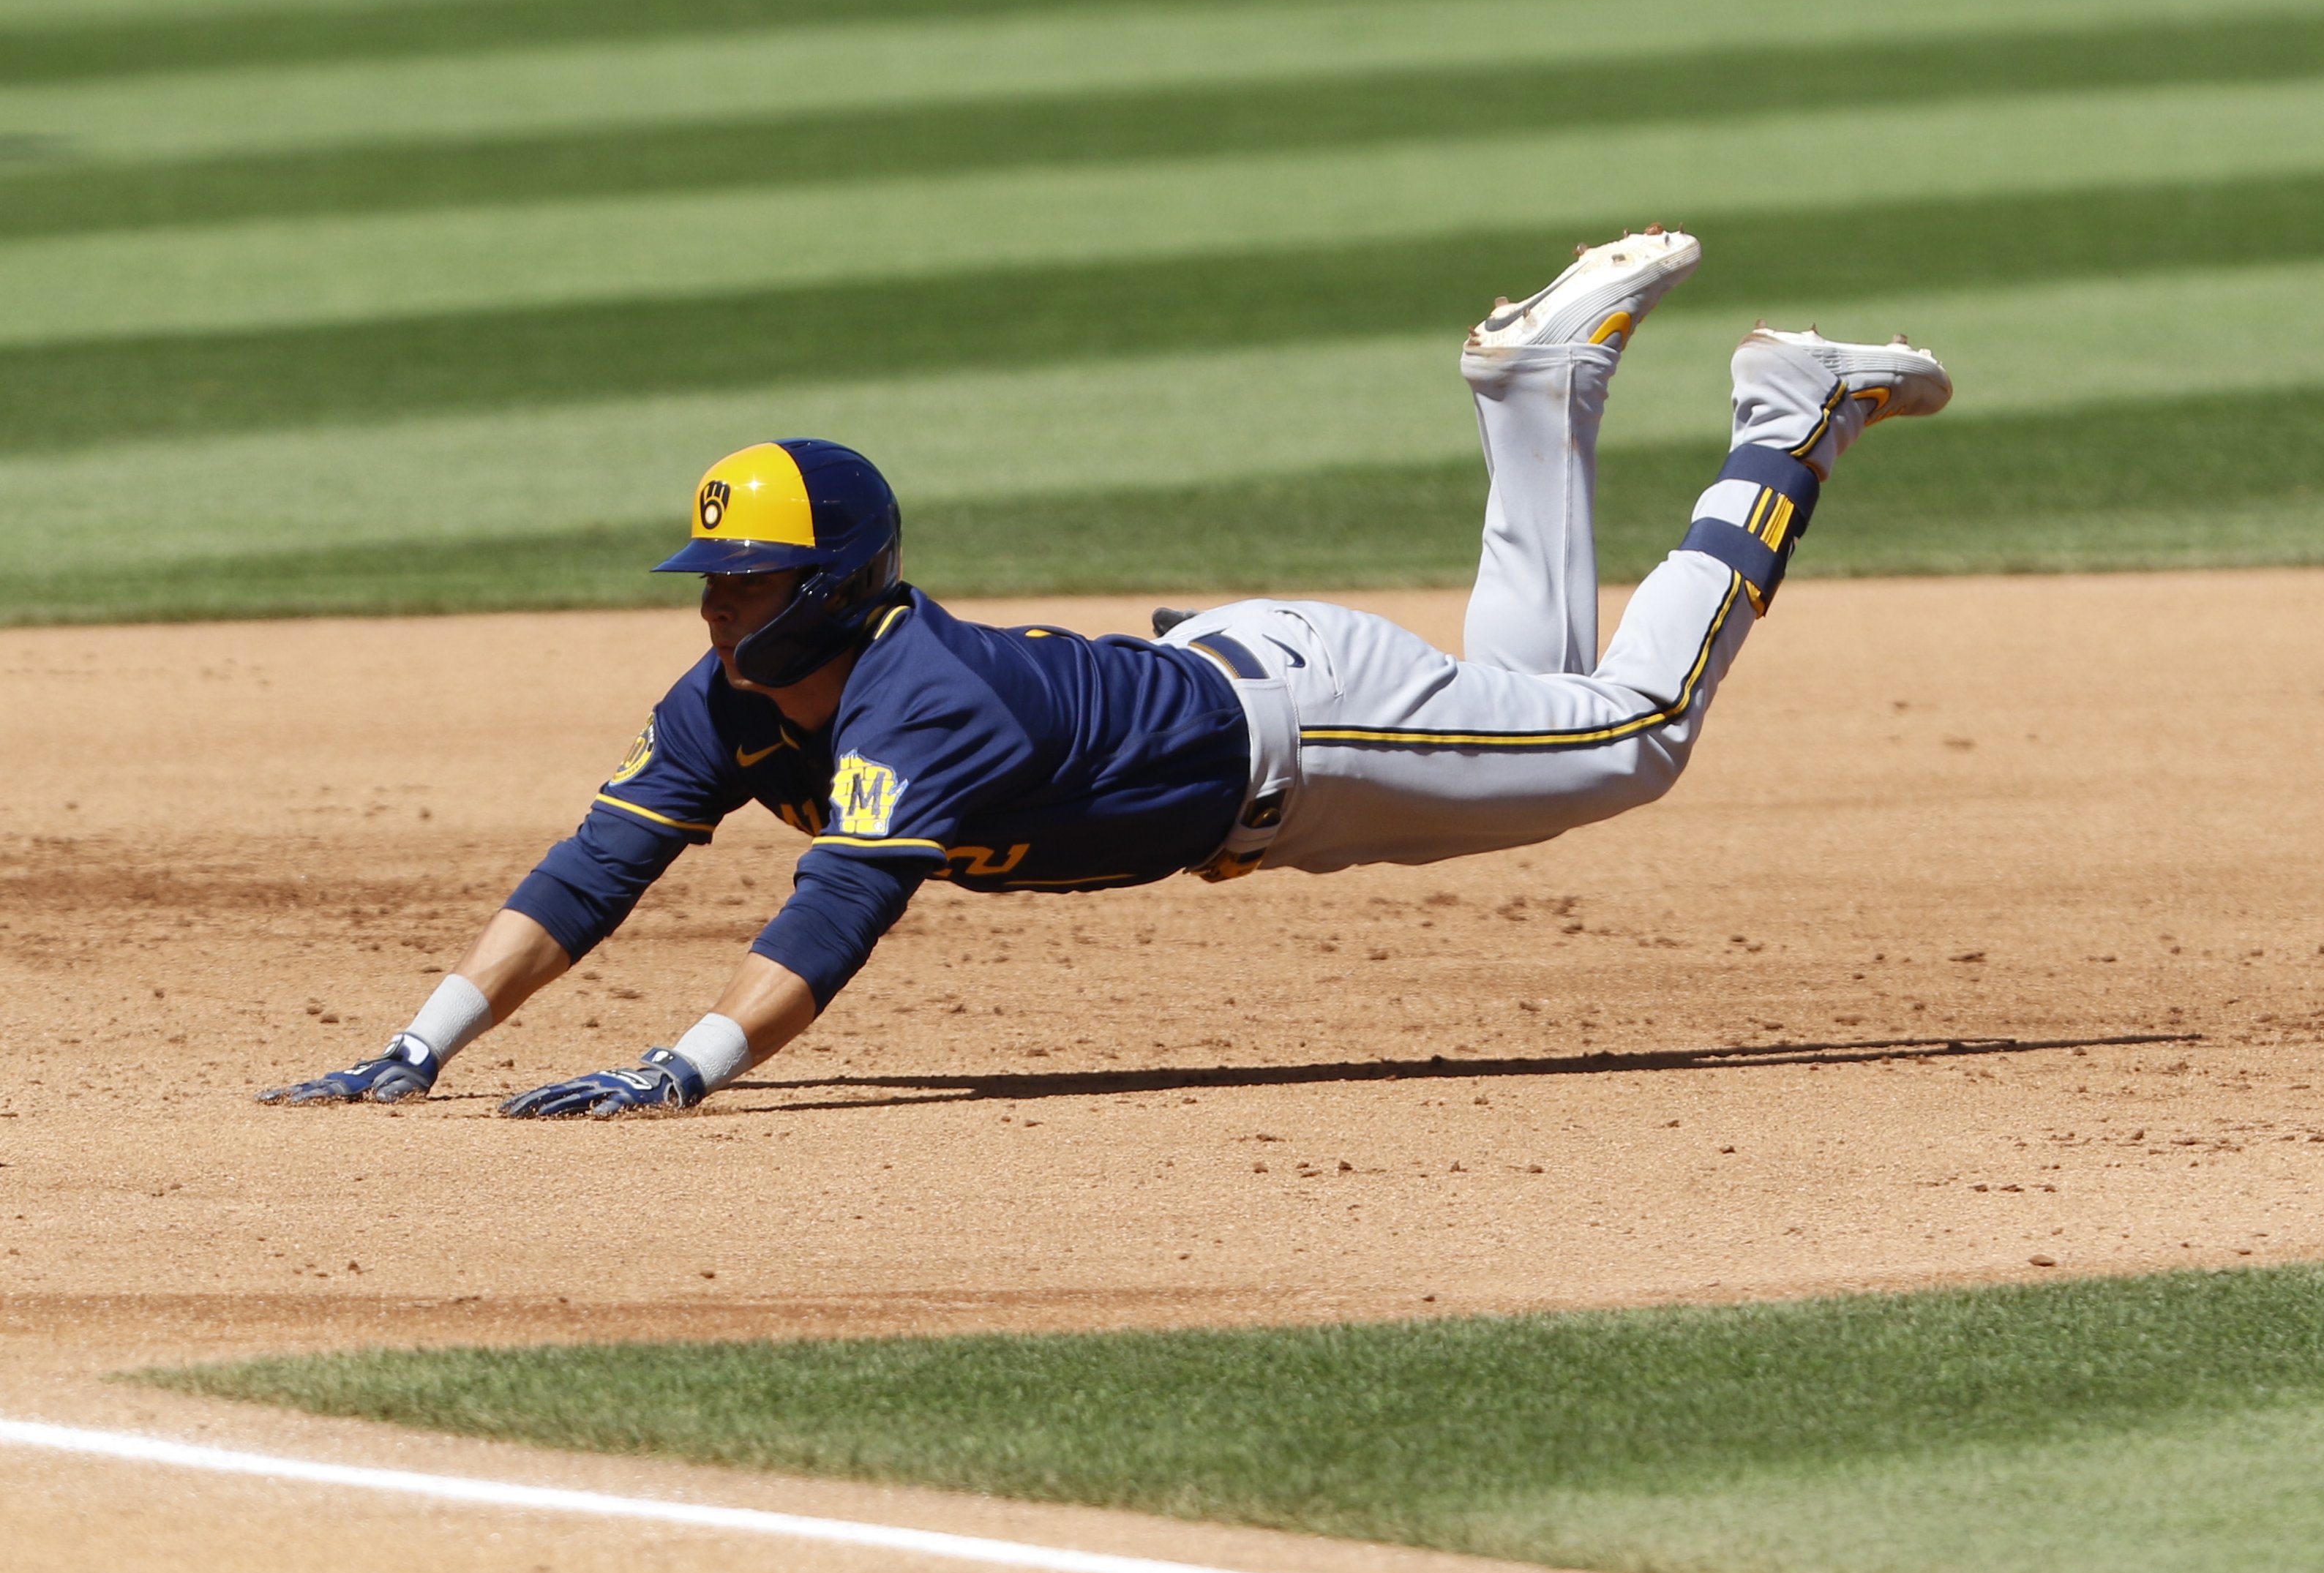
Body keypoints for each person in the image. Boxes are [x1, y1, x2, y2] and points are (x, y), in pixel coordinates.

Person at [260, 228, 1949, 1118]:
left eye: (748, 584)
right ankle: (1534, 390)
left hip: (1304, 726)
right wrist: (427, 1042)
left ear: (835, 586)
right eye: (710, 584)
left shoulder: (921, 701)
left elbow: (834, 916)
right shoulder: (725, 704)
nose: (715, 616)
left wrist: (682, 1065)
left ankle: (1784, 415)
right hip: (1268, 743)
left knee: (1627, 735)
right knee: (1536, 697)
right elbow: (600, 862)